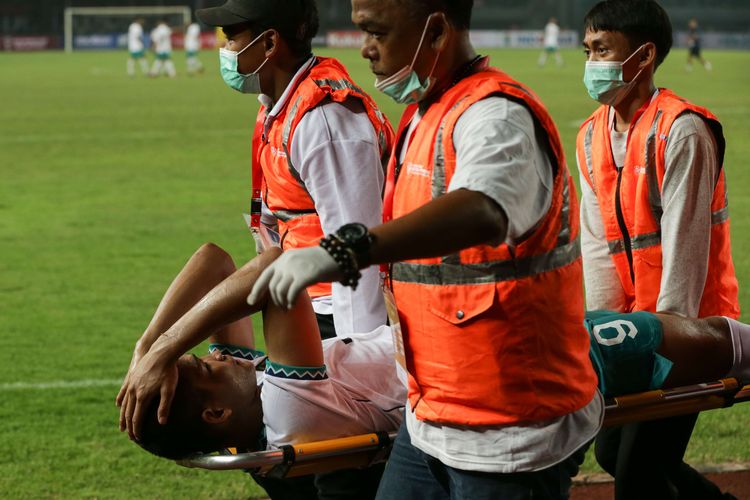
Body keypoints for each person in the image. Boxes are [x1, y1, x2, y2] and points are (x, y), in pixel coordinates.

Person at [248, 0, 603, 498]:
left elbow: (483, 208)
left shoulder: (495, 115)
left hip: (511, 429)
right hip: (433, 414)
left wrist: (348, 248)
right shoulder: (424, 114)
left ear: (435, 30)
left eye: (376, 33)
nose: (365, 50)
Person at [576, 1, 740, 498]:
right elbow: (597, 246)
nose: (591, 63)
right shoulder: (590, 138)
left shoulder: (682, 131)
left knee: (638, 474)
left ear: (643, 56)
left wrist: (668, 344)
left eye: (602, 49)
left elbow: (685, 255)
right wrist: (608, 337)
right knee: (614, 455)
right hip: (631, 327)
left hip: (689, 328)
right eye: (587, 50)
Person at [196, 0, 393, 341]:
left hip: (337, 313)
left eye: (231, 38)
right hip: (306, 300)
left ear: (269, 44)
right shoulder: (281, 104)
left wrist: (358, 364)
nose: (225, 50)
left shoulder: (326, 122)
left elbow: (358, 255)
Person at [117, 244, 404, 463]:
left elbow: (214, 261)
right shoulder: (287, 412)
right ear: (217, 413)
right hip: (440, 364)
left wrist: (147, 349)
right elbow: (279, 266)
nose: (216, 356)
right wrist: (164, 349)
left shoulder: (246, 405)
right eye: (206, 368)